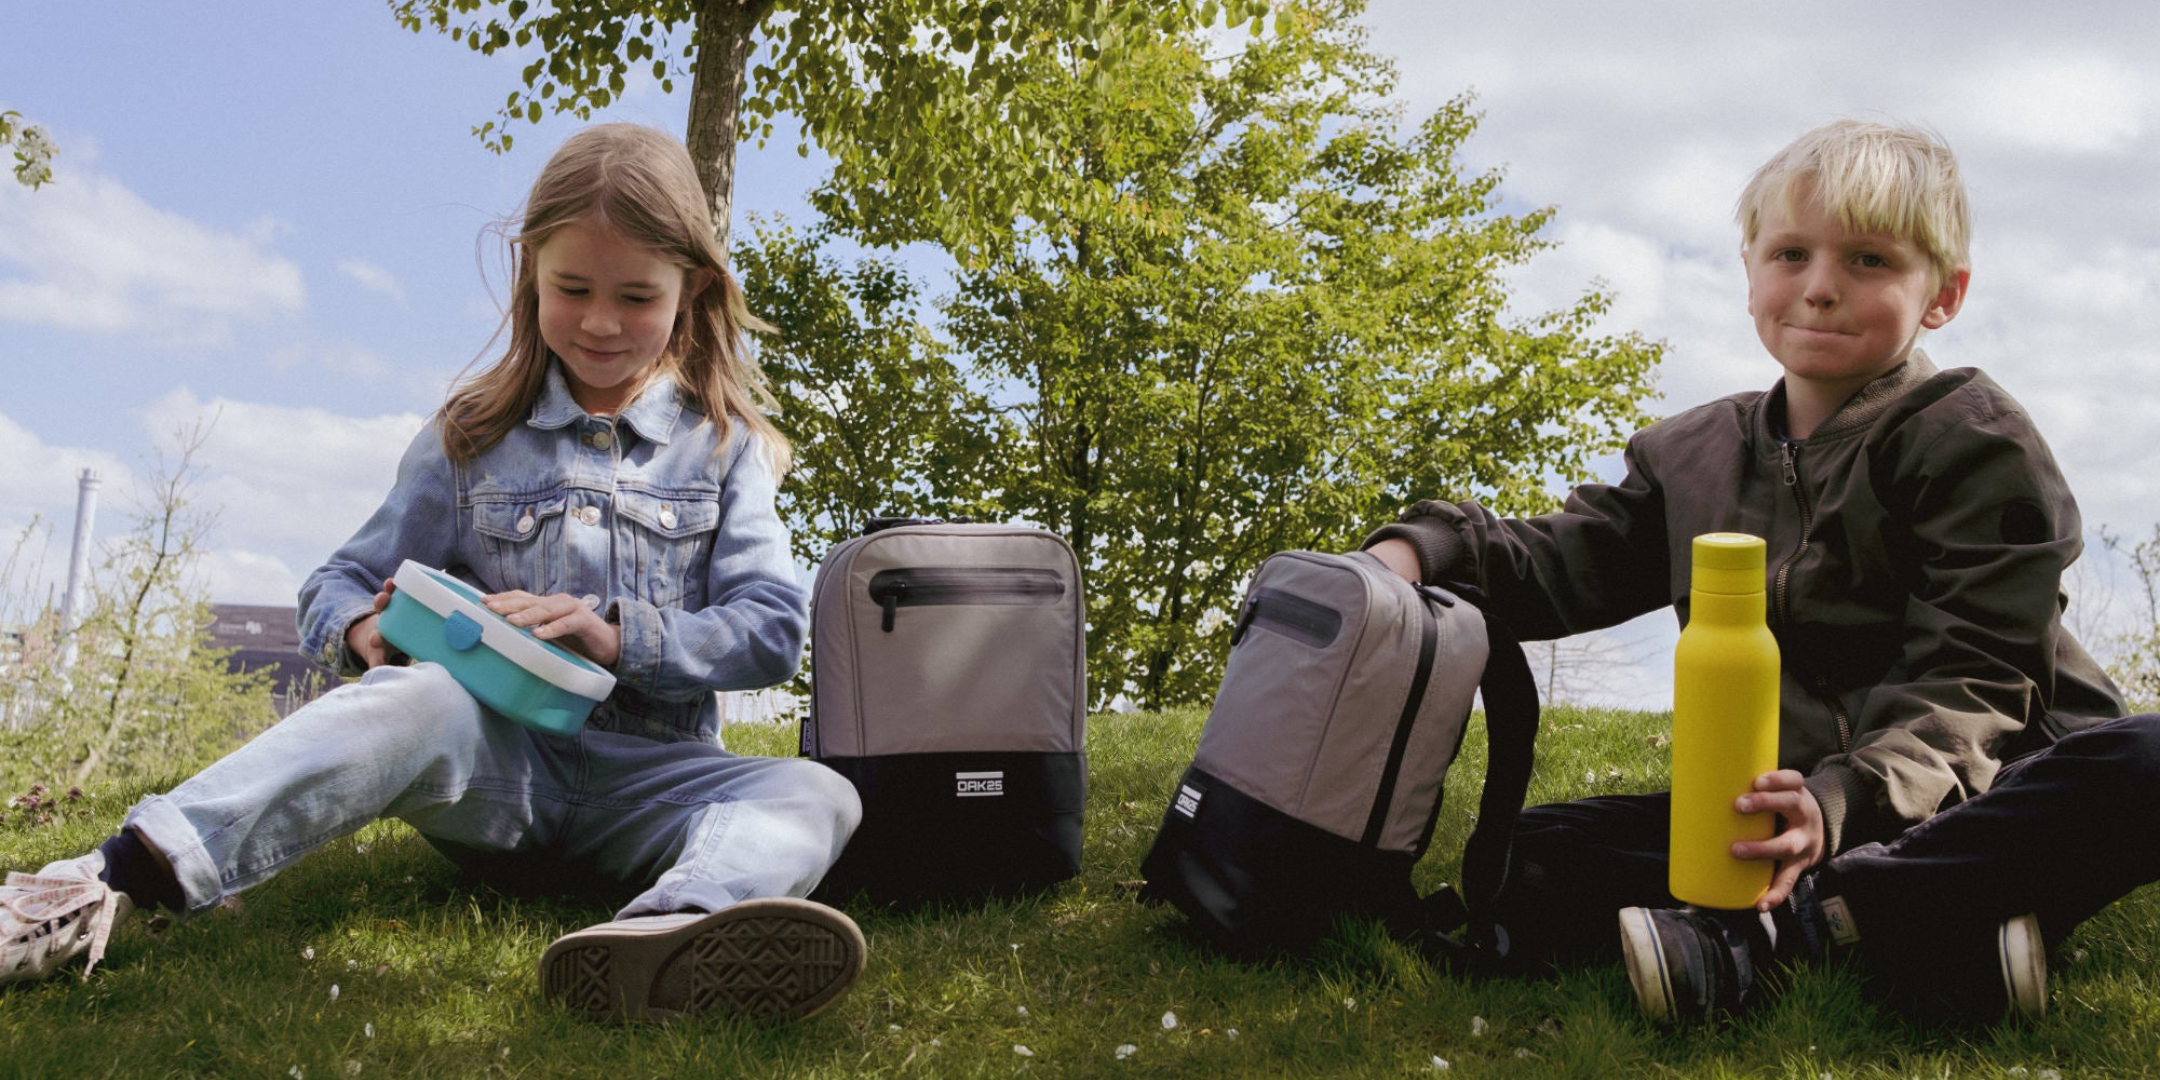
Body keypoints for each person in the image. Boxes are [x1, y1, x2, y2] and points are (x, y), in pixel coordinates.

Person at [0, 124, 867, 1023]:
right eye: (572, 288)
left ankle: (676, 931)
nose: (601, 321)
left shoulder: (725, 449)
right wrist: (366, 631)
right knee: (424, 699)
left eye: (636, 296)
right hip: (502, 784)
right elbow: (335, 581)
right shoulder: (470, 438)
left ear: (692, 292)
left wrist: (617, 634)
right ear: (530, 271)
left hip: (656, 792)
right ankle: (103, 881)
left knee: (817, 790)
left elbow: (771, 629)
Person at [1363, 118, 2160, 1024]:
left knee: (2145, 761)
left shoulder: (1971, 440)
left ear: (1943, 295)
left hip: (1980, 786)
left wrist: (1843, 797)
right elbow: (1562, 559)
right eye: (1790, 254)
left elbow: (1976, 675)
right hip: (1788, 795)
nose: (1819, 289)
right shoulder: (1694, 454)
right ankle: (1938, 940)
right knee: (1537, 852)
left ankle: (1798, 933)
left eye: (1868, 261)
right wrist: (1423, 549)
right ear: (1749, 274)